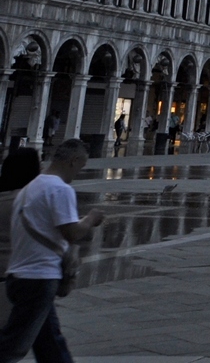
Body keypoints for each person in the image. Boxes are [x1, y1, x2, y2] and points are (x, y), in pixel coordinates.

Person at [0, 139, 105, 363]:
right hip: (38, 277)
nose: (78, 173)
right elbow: (72, 233)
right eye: (81, 167)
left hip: (19, 275)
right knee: (12, 347)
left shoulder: (30, 188)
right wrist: (91, 219)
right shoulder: (59, 189)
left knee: (50, 343)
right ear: (74, 161)